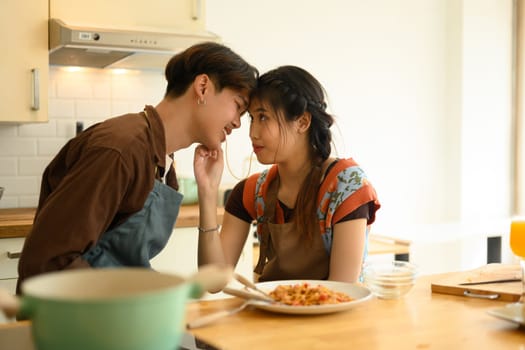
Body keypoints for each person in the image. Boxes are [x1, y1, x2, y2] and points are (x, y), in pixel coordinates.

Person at [17, 42, 258, 292]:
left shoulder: (163, 161)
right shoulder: (120, 149)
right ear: (203, 87)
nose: (237, 123)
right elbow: (50, 262)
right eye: (238, 106)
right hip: (75, 321)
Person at [196, 65, 380, 283]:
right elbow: (212, 282)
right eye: (252, 119)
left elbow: (342, 288)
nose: (253, 133)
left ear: (302, 122)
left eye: (263, 117)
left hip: (333, 315)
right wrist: (207, 192)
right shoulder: (252, 192)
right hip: (270, 314)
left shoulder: (347, 186)